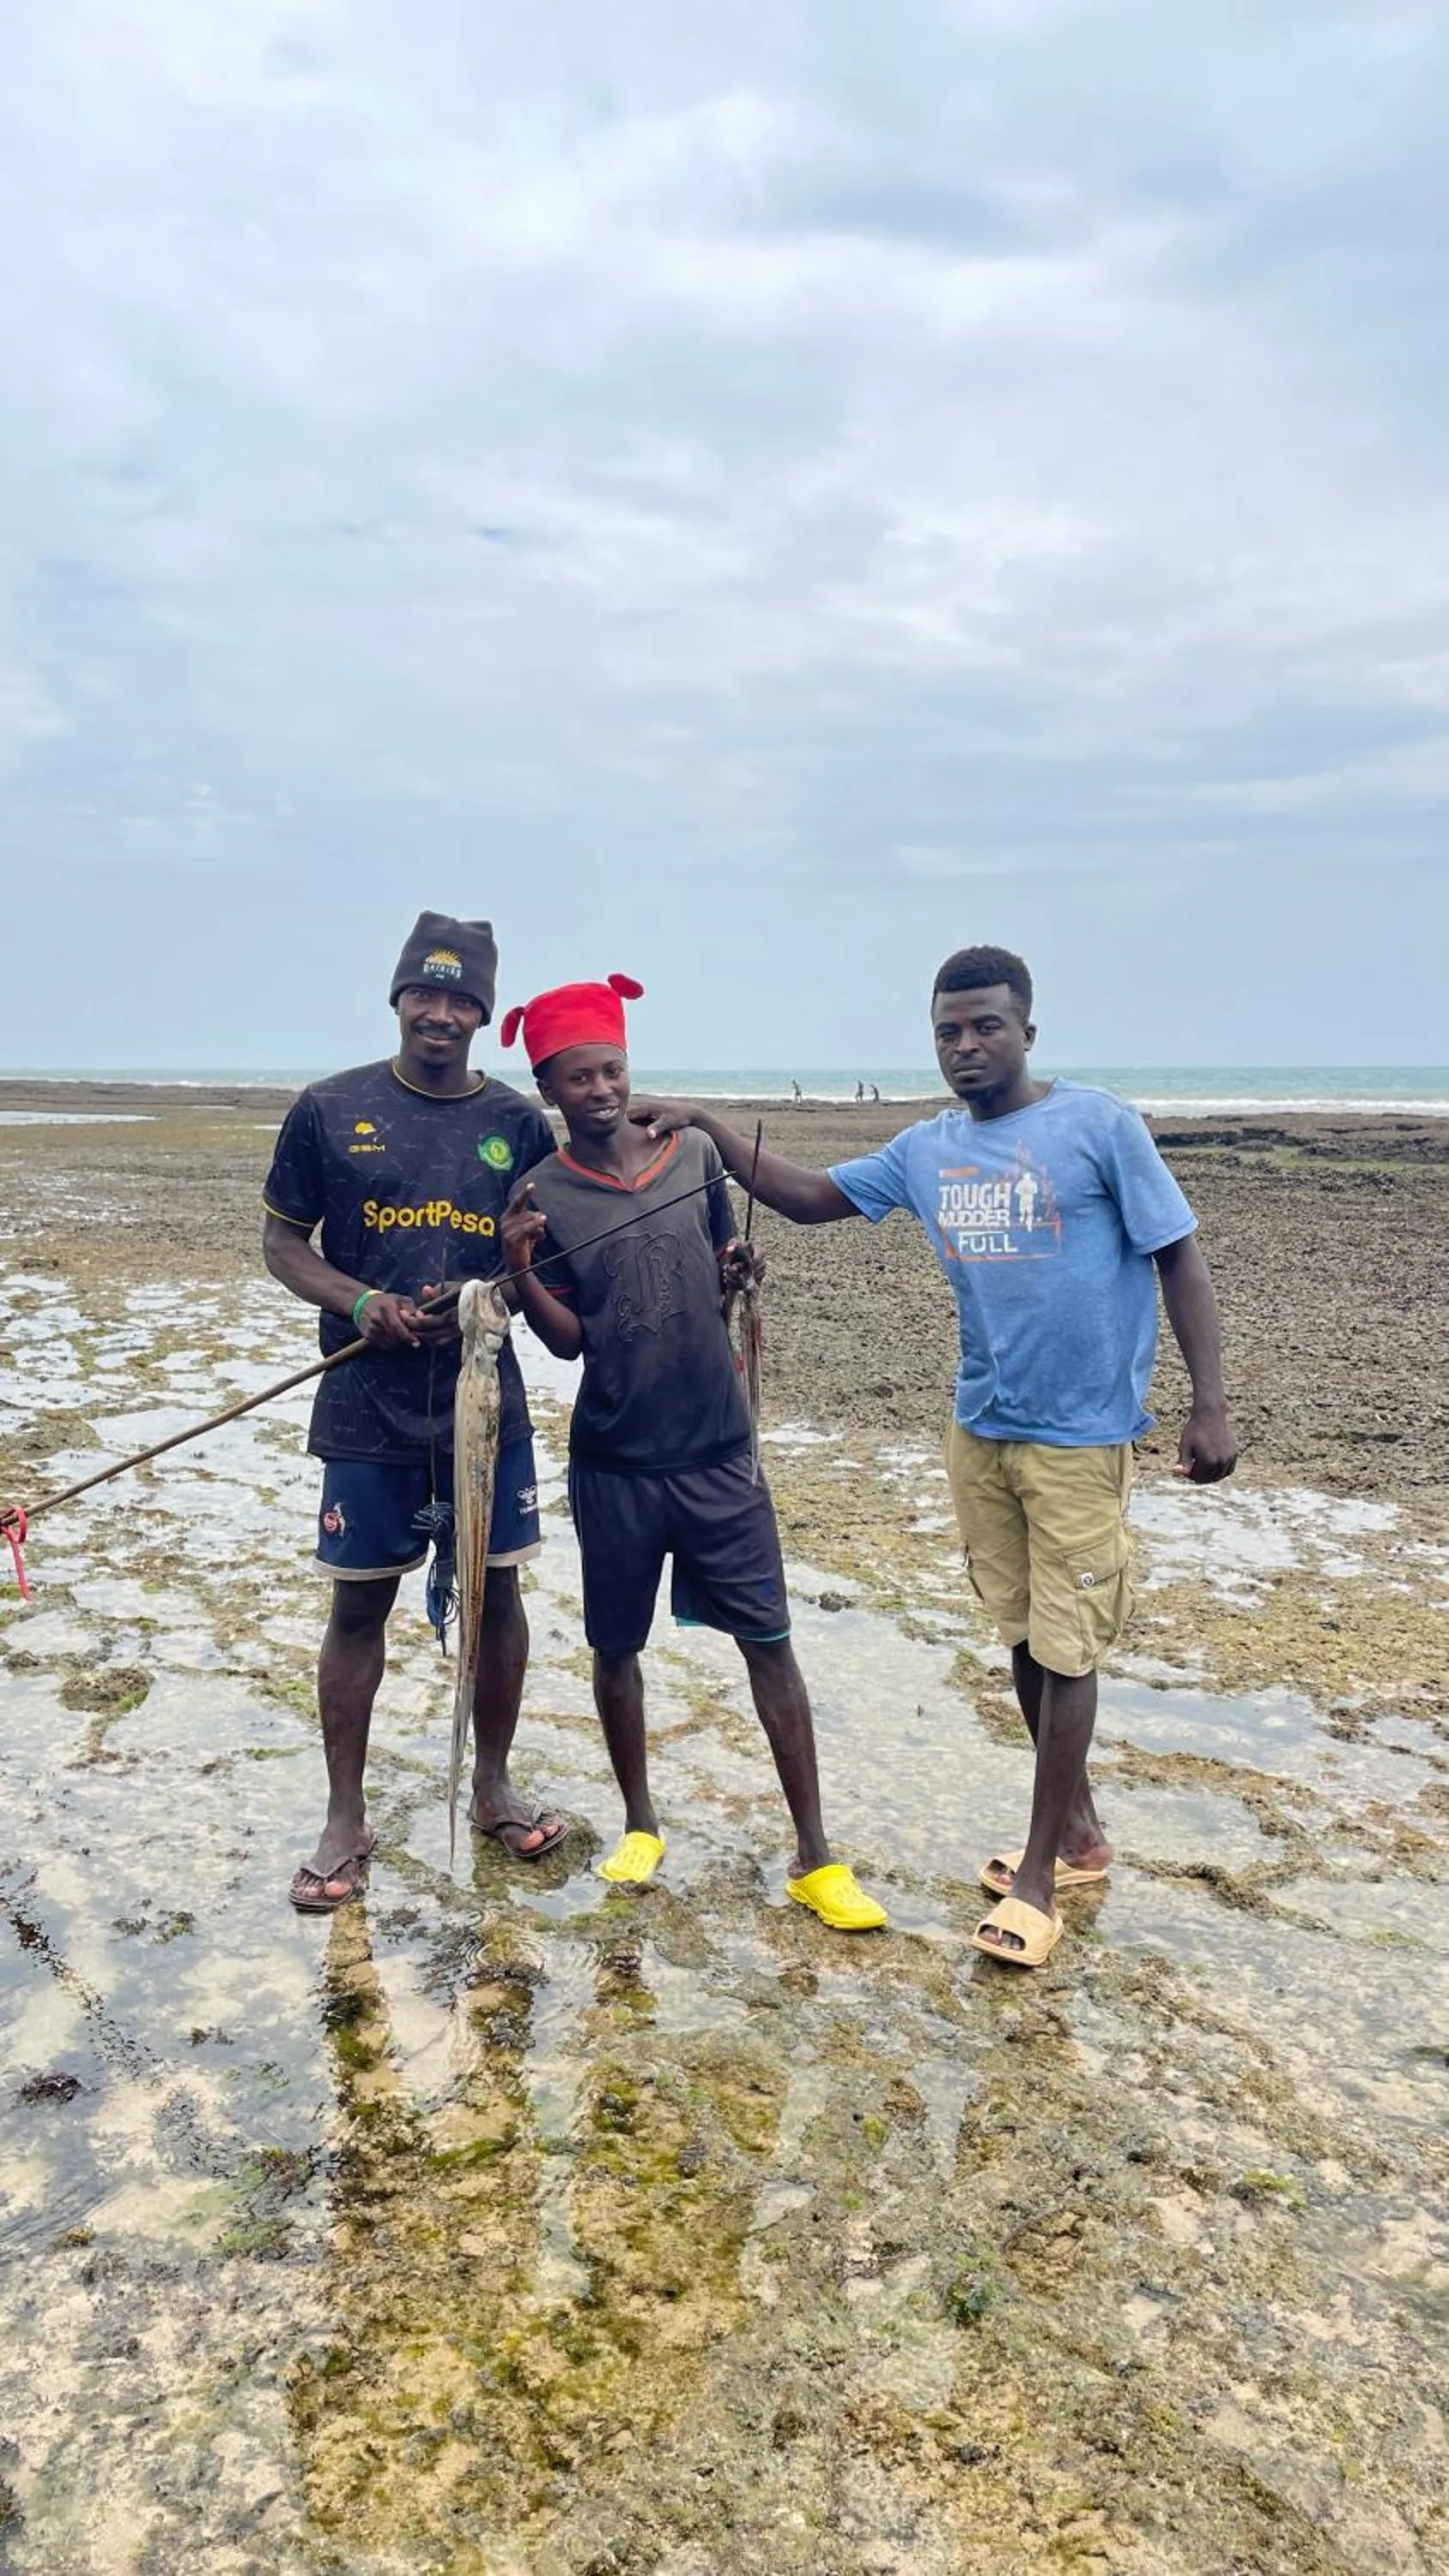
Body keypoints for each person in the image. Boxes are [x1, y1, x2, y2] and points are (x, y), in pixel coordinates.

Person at [632, 944, 1237, 1971]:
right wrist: (709, 1128)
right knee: (1017, 1635)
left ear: (1026, 1031)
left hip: (1081, 1434)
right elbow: (811, 1196)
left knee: (1068, 1648)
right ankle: (1080, 1833)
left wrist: (1208, 1405)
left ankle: (1041, 1878)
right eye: (948, 1032)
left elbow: (1175, 1252)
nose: (965, 1046)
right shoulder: (927, 1150)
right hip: (980, 1427)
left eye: (985, 1026)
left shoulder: (1098, 1125)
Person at [496, 973, 886, 1933]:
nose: (600, 1089)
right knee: (614, 1649)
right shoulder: (540, 1192)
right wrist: (514, 1267)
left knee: (770, 1644)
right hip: (615, 1461)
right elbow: (568, 1342)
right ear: (548, 1090)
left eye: (611, 1068)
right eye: (576, 1076)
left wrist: (737, 1272)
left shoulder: (695, 1152)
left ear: (629, 1068)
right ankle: (640, 1823)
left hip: (720, 1452)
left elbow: (720, 1274)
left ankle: (814, 1855)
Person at [263, 911, 567, 1911]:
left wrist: (492, 1295)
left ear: (483, 1011)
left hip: (483, 1399)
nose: (440, 1013)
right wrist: (361, 1303)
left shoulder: (520, 1121)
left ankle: (490, 1784)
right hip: (364, 1401)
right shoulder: (327, 1108)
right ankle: (344, 1815)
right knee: (359, 1603)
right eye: (424, 993)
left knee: (500, 1597)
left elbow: (539, 1255)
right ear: (398, 998)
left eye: (461, 998)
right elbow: (284, 1246)